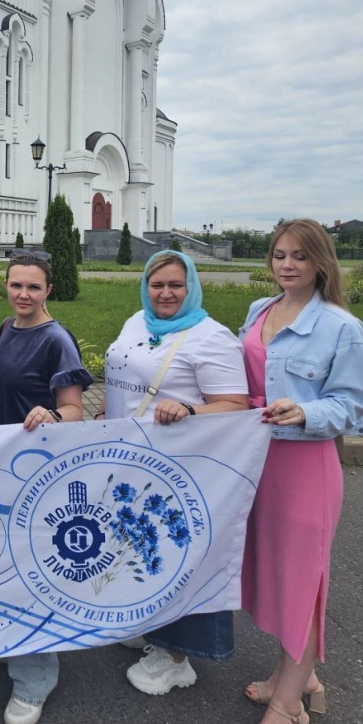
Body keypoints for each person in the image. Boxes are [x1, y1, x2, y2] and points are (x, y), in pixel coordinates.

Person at [237, 219, 363, 724]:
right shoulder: (259, 313)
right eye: (278, 255)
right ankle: (293, 674)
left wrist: (306, 411)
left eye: (299, 256)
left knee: (303, 583)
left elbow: (353, 409)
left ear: (320, 263)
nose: (287, 265)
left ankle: (287, 709)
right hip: (255, 463)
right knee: (273, 576)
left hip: (304, 467)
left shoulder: (342, 327)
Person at [99, 250, 249, 697]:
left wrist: (189, 408)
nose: (165, 293)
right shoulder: (137, 322)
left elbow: (236, 406)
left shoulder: (211, 337)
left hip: (181, 469)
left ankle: (177, 657)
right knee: (138, 545)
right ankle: (149, 624)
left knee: (177, 554)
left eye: (175, 286)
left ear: (191, 288)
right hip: (132, 462)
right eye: (156, 284)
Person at [0, 248, 93, 724]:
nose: (23, 294)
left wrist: (51, 414)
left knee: (32, 571)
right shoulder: (8, 329)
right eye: (15, 285)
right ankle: (8, 645)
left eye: (33, 286)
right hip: (1, 466)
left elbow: (74, 408)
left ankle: (35, 678)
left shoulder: (55, 339)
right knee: (3, 565)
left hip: (39, 470)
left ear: (49, 289)